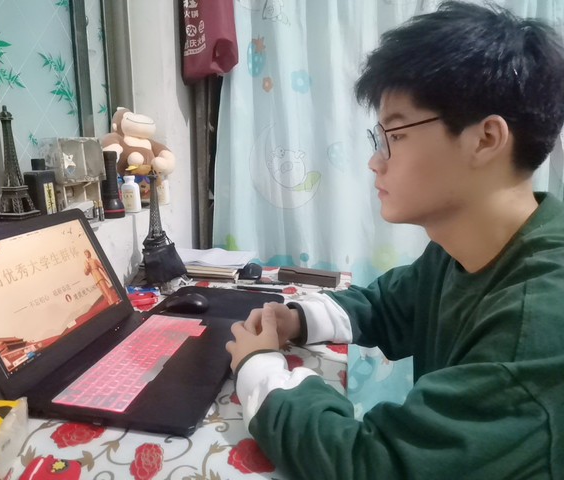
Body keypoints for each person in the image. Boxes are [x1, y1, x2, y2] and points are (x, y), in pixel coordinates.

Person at [225, 2, 564, 479]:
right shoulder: (467, 247)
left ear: (486, 139)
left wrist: (261, 370)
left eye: (396, 135)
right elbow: (390, 305)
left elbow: (376, 466)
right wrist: (297, 318)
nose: (375, 160)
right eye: (378, 137)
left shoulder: (539, 321)